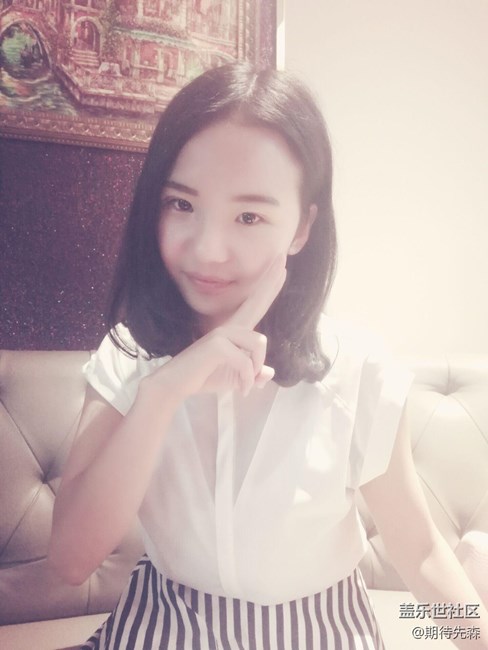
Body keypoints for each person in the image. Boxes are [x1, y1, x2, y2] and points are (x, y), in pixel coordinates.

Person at [48, 63, 488, 650]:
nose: (208, 249)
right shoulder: (128, 356)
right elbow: (72, 560)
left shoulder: (357, 370)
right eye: (181, 204)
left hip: (320, 630)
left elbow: (422, 550)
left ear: (301, 228)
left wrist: (473, 635)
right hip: (166, 622)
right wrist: (162, 394)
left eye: (249, 216)